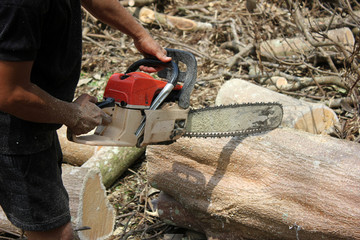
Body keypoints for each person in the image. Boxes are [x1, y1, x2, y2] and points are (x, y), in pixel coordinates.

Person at [0, 0, 171, 239]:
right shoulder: (19, 4)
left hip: (35, 109)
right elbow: (9, 93)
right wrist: (71, 113)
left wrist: (139, 34)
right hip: (14, 125)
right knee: (57, 233)